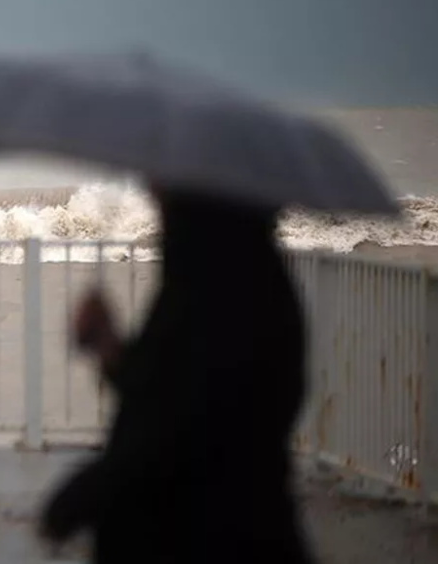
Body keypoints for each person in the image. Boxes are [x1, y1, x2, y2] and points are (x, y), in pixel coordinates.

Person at [38, 187, 316, 563]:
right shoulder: (233, 278)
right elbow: (168, 385)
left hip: (208, 537)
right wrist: (109, 347)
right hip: (235, 527)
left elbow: (184, 428)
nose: (154, 193)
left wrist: (85, 494)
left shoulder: (221, 291)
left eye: (167, 190)